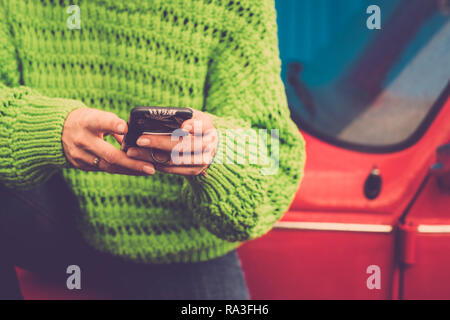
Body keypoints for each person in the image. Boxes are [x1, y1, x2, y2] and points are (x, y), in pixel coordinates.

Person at [0, 0, 305, 299]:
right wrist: (48, 128)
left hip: (182, 249)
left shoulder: (234, 5)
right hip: (58, 229)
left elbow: (272, 154)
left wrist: (214, 151)